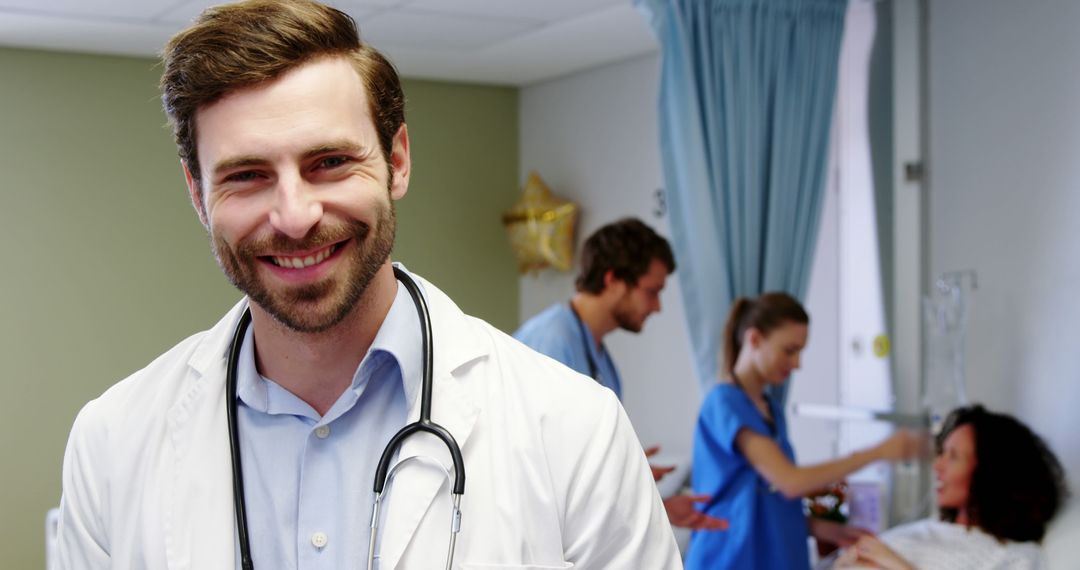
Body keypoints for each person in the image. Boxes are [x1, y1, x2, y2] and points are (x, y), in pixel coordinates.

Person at [55, 1, 681, 568]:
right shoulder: (112, 444)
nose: (295, 215)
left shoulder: (573, 429)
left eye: (329, 162)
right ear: (198, 194)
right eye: (247, 174)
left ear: (397, 161)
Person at [514, 217, 726, 531]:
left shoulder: (599, 357)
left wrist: (650, 499)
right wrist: (620, 470)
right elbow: (541, 466)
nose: (657, 307)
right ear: (613, 280)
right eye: (651, 292)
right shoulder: (551, 341)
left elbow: (583, 467)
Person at [685, 292, 924, 569]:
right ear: (754, 340)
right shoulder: (724, 403)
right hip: (731, 559)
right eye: (789, 351)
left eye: (800, 352)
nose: (797, 364)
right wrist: (879, 451)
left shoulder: (771, 411)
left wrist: (825, 529)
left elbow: (769, 499)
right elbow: (790, 483)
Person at [835, 404, 1068, 570]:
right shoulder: (925, 530)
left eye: (953, 456)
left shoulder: (1017, 557)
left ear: (990, 473)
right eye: (941, 453)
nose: (937, 465)